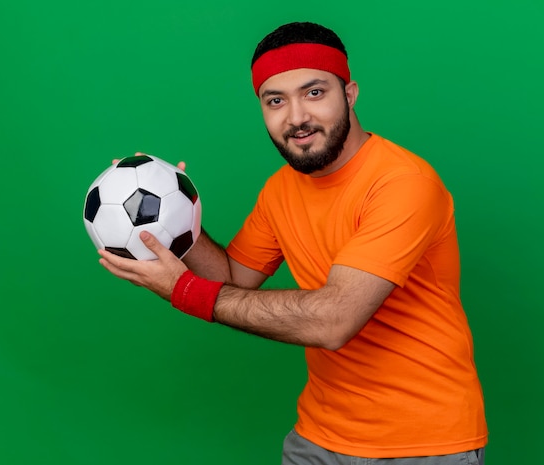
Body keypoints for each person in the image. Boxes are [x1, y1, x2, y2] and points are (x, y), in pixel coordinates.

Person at [99, 21, 488, 465]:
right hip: (319, 437)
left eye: (315, 92)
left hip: (423, 445)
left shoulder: (403, 184)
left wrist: (184, 291)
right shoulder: (281, 189)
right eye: (276, 101)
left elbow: (333, 322)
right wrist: (176, 218)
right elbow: (231, 280)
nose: (297, 116)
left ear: (350, 93)